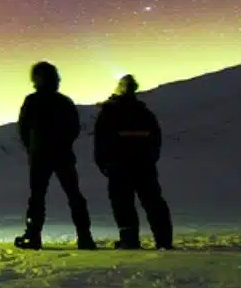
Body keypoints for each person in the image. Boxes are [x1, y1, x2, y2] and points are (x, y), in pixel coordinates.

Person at [13, 61, 96, 250]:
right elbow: (74, 128)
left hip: (41, 156)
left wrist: (33, 147)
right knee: (73, 195)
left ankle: (34, 236)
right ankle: (85, 237)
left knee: (38, 197)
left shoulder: (33, 101)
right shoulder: (63, 101)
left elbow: (24, 129)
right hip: (61, 155)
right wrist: (61, 144)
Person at [93, 74, 174, 250]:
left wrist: (104, 163)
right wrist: (150, 158)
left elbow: (101, 141)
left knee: (123, 203)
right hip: (143, 165)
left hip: (119, 167)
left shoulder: (109, 113)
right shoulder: (144, 113)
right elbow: (155, 139)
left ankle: (129, 240)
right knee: (153, 202)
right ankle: (163, 240)